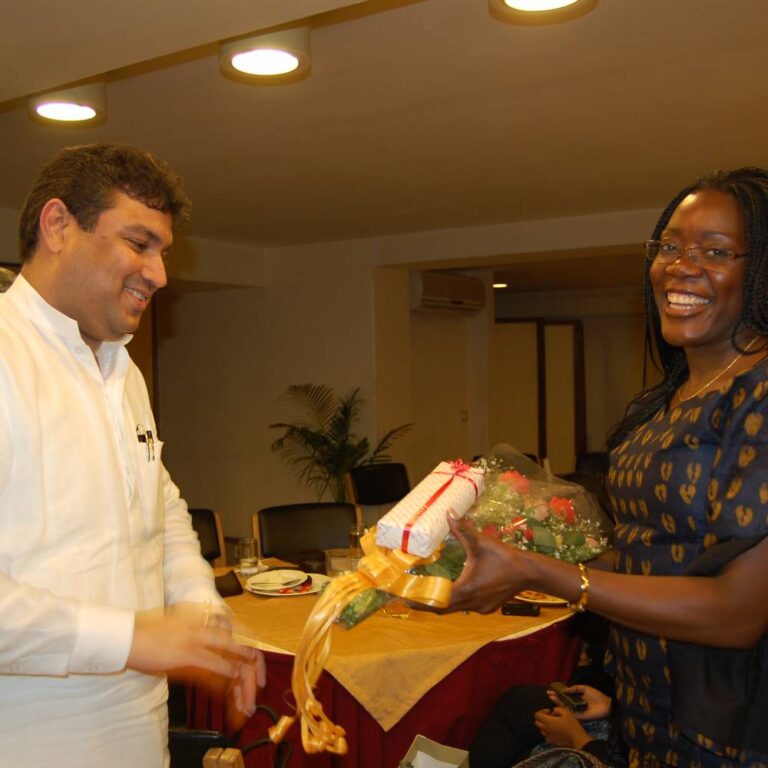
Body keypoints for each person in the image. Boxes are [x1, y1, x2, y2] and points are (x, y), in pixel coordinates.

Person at [442, 167, 768, 768]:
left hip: (729, 734)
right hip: (653, 713)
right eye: (669, 245)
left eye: (716, 251)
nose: (681, 265)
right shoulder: (671, 397)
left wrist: (546, 573)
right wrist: (513, 544)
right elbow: (657, 550)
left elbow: (740, 612)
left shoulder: (759, 392)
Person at [0, 144, 265, 767]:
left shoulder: (122, 369)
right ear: (58, 226)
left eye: (163, 251)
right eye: (139, 243)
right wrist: (132, 638)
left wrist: (203, 618)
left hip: (141, 729)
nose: (160, 273)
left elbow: (161, 510)